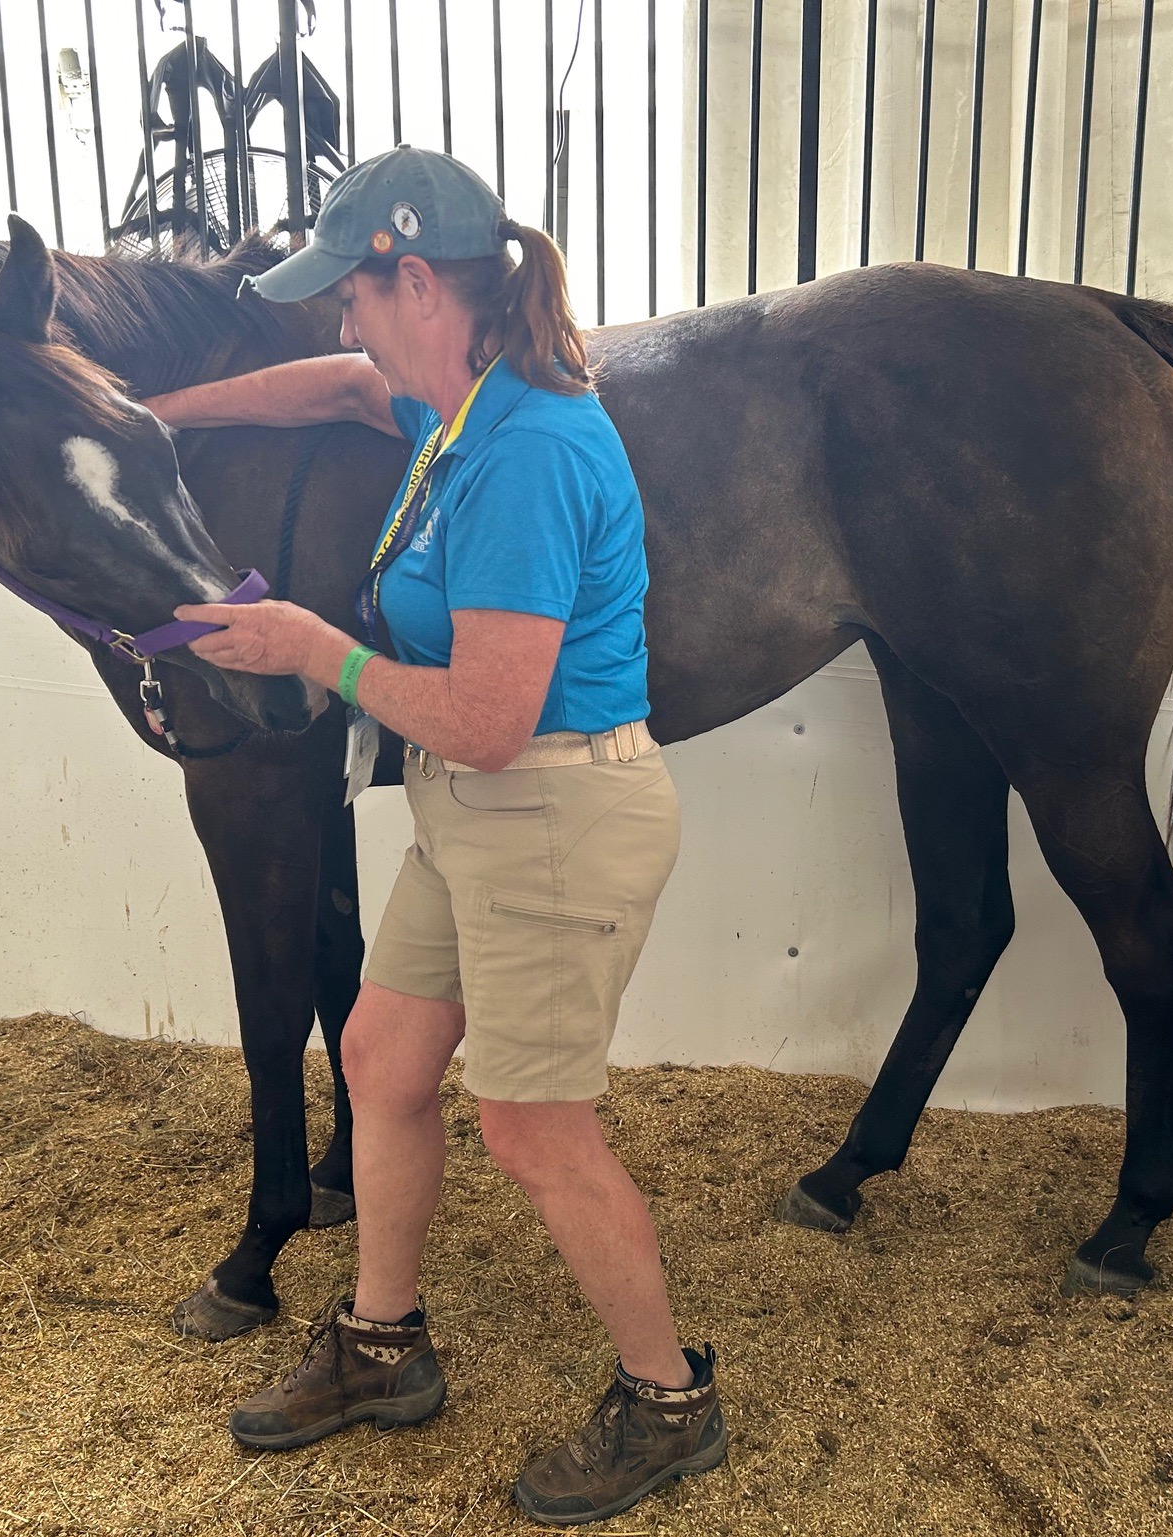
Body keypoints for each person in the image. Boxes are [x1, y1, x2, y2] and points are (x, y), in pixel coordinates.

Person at [149, 145, 725, 1526]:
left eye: (349, 294)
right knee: (380, 1053)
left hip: (551, 810)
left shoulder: (526, 452)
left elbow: (480, 714)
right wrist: (150, 413)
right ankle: (382, 1341)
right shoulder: (446, 406)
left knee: (531, 1124)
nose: (340, 324)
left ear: (416, 280)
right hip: (477, 810)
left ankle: (667, 1398)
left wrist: (313, 649)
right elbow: (332, 385)